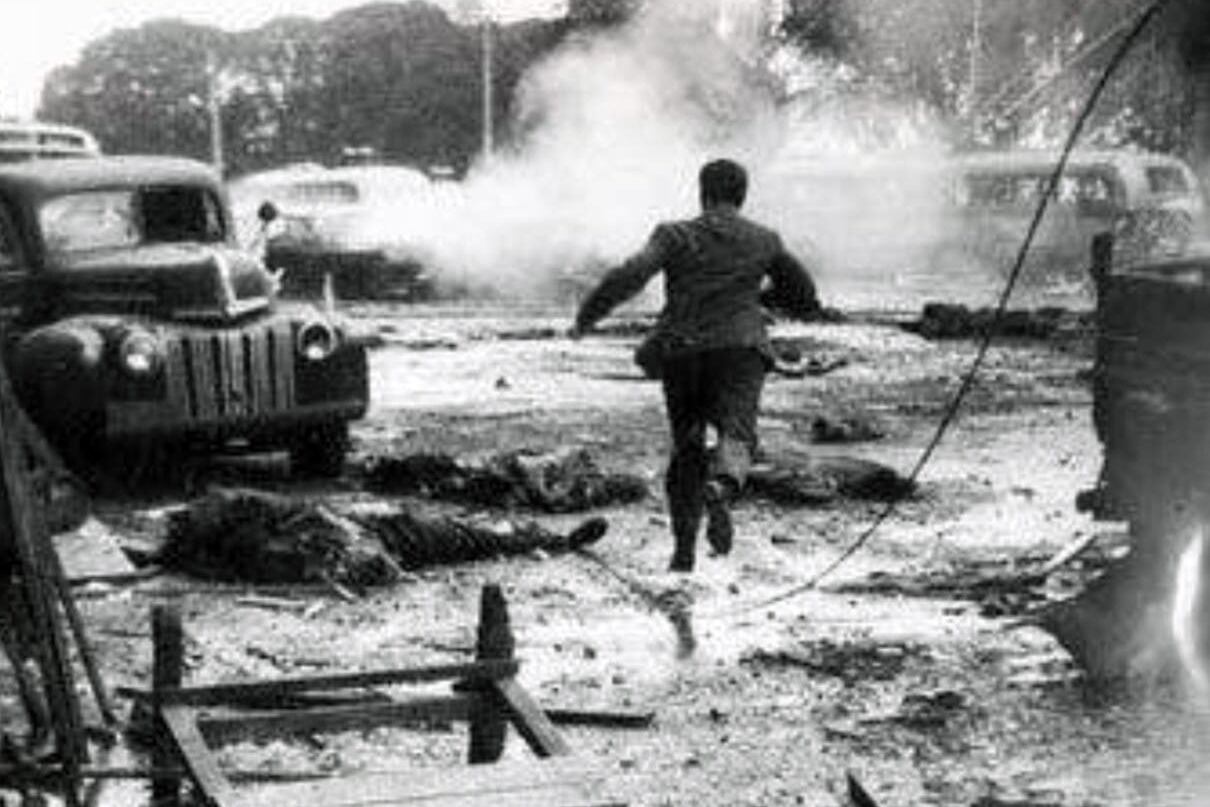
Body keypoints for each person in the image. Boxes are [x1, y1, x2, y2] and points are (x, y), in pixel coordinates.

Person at [570, 158, 821, 572]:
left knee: (687, 444)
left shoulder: (675, 235)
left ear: (702, 193)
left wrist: (588, 315)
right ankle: (723, 485)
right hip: (741, 350)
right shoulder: (764, 240)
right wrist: (763, 301)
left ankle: (683, 549)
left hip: (682, 352)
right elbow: (805, 294)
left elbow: (631, 274)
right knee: (737, 432)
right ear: (742, 196)